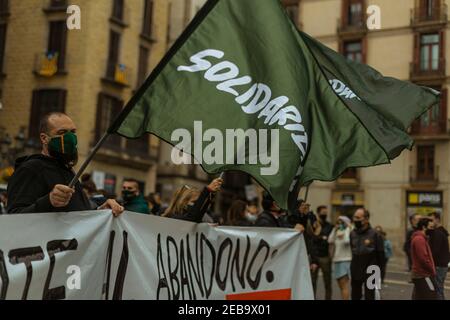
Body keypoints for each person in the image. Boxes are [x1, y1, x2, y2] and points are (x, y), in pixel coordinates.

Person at [6, 112, 123, 216]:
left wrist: (100, 211)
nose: (70, 137)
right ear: (44, 138)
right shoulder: (30, 169)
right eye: (62, 132)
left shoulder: (68, 170)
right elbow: (14, 217)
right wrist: (49, 201)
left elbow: (76, 213)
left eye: (73, 132)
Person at [350, 208, 385, 300]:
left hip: (372, 268)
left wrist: (381, 275)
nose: (355, 220)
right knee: (355, 295)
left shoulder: (375, 234)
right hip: (356, 267)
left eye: (358, 217)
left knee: (370, 296)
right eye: (354, 217)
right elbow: (352, 249)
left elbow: (381, 255)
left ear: (366, 219)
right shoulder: (352, 233)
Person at [410, 217, 438, 300]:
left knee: (419, 296)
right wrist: (432, 270)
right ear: (424, 227)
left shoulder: (421, 238)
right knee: (430, 294)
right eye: (431, 227)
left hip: (421, 274)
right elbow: (423, 259)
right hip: (423, 275)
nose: (432, 230)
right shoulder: (419, 239)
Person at [311, 205, 333, 300]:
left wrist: (320, 237)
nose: (325, 214)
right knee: (312, 282)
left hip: (325, 256)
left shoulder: (330, 226)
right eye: (323, 212)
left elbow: (330, 239)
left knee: (327, 282)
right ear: (318, 213)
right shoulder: (313, 225)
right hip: (314, 256)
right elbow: (311, 238)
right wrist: (322, 237)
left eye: (326, 212)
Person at [328, 215, 352, 300]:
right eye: (338, 222)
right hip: (337, 260)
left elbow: (346, 241)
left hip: (345, 260)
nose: (339, 224)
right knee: (341, 286)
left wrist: (347, 229)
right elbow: (330, 240)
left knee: (344, 285)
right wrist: (335, 230)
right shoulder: (337, 232)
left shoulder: (349, 231)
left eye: (342, 222)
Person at [427, 212, 450, 300]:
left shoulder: (438, 233)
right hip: (441, 264)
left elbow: (435, 251)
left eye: (431, 220)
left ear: (437, 219)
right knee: (438, 288)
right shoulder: (441, 231)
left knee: (438, 289)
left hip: (439, 265)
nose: (430, 223)